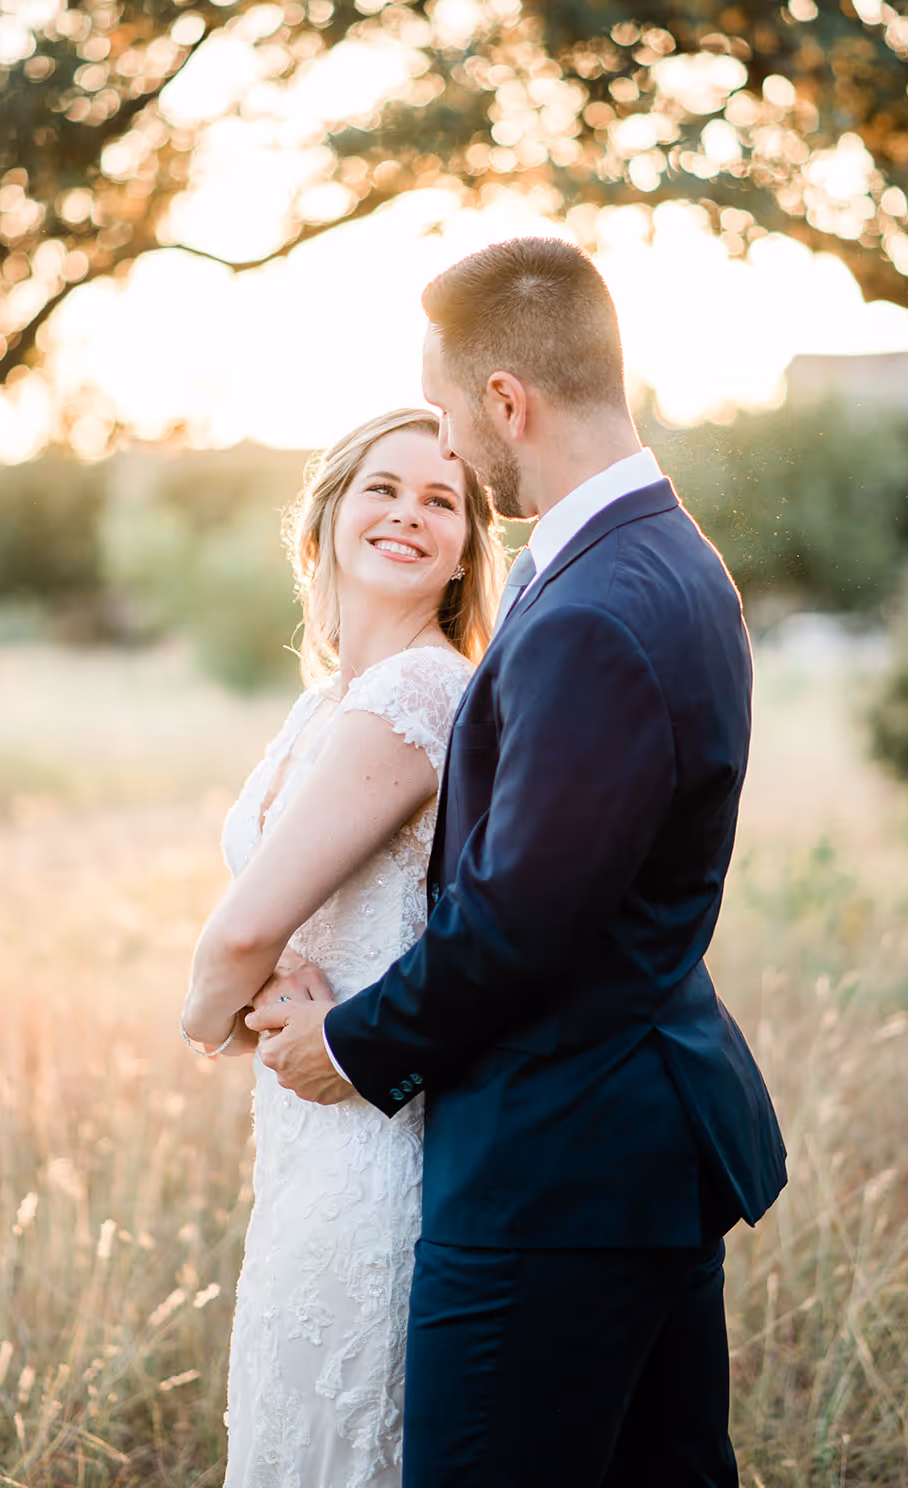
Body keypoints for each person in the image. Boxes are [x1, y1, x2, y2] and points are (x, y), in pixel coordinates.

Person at [253, 237, 788, 1487]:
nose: (445, 444)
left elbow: (523, 919)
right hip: (630, 1146)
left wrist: (349, 1045)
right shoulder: (662, 558)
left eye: (447, 411)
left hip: (558, 1173)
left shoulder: (600, 604)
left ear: (507, 400)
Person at [180, 406, 504, 1488]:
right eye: (384, 486)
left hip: (368, 1131)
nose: (409, 513)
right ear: (324, 519)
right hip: (301, 1131)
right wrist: (265, 987)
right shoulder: (330, 700)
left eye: (440, 500)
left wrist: (207, 1015)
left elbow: (244, 924)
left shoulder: (422, 688)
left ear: (463, 555)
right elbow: (275, 918)